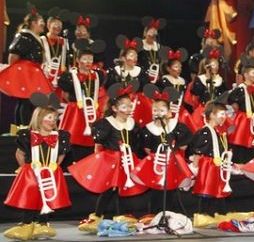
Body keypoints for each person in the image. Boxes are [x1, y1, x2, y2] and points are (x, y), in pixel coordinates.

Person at [68, 82, 148, 232]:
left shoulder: (133, 124)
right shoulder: (107, 123)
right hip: (112, 160)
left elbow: (136, 142)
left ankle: (121, 215)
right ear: (115, 108)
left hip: (127, 159)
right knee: (110, 188)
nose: (128, 110)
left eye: (130, 106)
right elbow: (99, 139)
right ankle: (97, 215)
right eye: (124, 107)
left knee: (123, 187)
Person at [3, 93, 71, 241]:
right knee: (31, 196)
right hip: (32, 172)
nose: (52, 121)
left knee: (47, 195)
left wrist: (55, 166)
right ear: (39, 119)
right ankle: (27, 223)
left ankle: (42, 222)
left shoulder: (60, 137)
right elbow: (19, 154)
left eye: (54, 118)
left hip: (50, 171)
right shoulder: (27, 136)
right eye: (49, 118)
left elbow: (61, 154)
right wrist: (26, 168)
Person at [132, 85, 193, 214]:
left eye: (161, 110)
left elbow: (184, 145)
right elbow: (145, 148)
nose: (157, 113)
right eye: (155, 110)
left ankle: (170, 215)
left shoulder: (176, 126)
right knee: (156, 191)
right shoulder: (147, 129)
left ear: (169, 112)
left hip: (172, 162)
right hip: (156, 164)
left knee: (171, 190)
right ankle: (154, 215)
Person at [0, 8, 53, 128]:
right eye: (41, 21)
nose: (43, 24)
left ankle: (22, 126)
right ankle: (23, 126)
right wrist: (14, 72)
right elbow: (13, 55)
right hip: (26, 71)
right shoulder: (25, 36)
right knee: (26, 100)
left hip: (32, 71)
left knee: (26, 101)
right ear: (33, 23)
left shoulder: (35, 37)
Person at [57, 41, 106, 163]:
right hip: (75, 112)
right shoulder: (70, 76)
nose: (88, 62)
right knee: (73, 138)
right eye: (85, 59)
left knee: (92, 141)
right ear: (78, 60)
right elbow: (65, 94)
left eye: (90, 59)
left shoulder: (97, 75)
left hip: (92, 112)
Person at [191, 101, 233, 221]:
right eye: (221, 114)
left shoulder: (220, 132)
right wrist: (195, 168)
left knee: (217, 191)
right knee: (207, 191)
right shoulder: (205, 131)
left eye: (225, 114)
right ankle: (204, 215)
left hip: (217, 166)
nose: (224, 117)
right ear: (212, 115)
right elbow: (198, 152)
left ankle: (218, 214)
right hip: (208, 166)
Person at [105, 36, 152, 125]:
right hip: (119, 105)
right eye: (131, 55)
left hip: (137, 106)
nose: (135, 58)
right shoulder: (114, 72)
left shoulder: (141, 72)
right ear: (123, 58)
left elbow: (145, 90)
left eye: (136, 56)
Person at [227, 65, 254, 163]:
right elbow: (231, 99)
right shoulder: (240, 89)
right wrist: (237, 109)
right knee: (240, 139)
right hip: (243, 118)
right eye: (253, 73)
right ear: (246, 75)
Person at [138, 17, 165, 84]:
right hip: (143, 77)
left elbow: (162, 63)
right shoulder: (140, 45)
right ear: (145, 33)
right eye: (150, 33)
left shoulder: (159, 47)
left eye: (154, 34)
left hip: (157, 77)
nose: (151, 36)